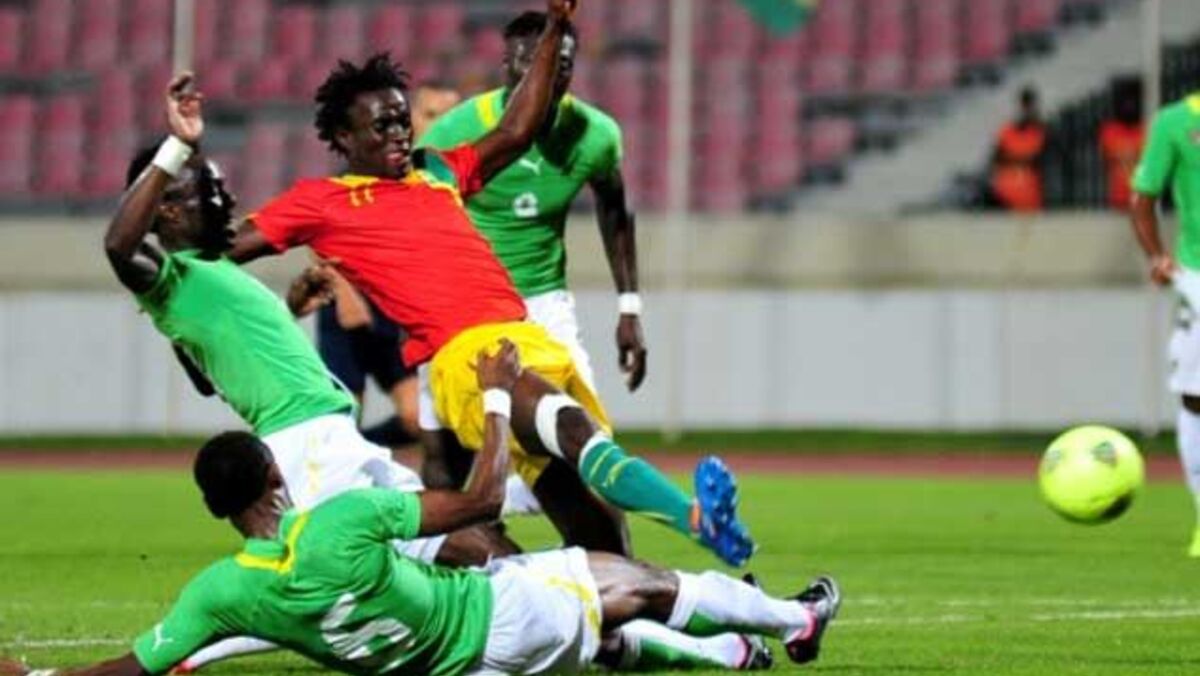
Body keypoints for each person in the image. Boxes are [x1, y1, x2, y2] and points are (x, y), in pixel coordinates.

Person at [226, 0, 755, 567]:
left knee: (601, 535)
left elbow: (516, 129)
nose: (401, 133)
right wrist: (174, 161)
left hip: (525, 337)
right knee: (571, 430)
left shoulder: (435, 171)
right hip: (470, 358)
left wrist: (557, 25)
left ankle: (684, 611)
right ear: (343, 136)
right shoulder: (320, 202)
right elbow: (219, 249)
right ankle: (692, 517)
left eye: (403, 120)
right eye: (383, 125)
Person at [0, 344, 839, 676]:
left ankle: (730, 655)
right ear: (275, 474)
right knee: (642, 581)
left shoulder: (222, 592)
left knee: (607, 633)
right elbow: (480, 498)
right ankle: (798, 620)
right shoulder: (343, 519)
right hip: (495, 620)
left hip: (447, 671)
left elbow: (133, 669)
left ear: (218, 510)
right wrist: (498, 398)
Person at [420, 11, 645, 396]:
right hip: (464, 299)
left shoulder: (596, 136)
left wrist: (629, 308)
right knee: (447, 431)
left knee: (584, 419)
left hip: (544, 302)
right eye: (531, 62)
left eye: (560, 63)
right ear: (505, 64)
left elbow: (615, 211)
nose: (545, 74)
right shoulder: (454, 131)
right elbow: (410, 215)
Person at [304, 78, 464, 450]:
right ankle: (329, 461)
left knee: (416, 417)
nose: (441, 125)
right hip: (349, 313)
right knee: (343, 415)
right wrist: (345, 293)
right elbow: (317, 229)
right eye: (431, 115)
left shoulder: (443, 179)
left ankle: (358, 454)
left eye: (450, 116)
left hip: (395, 319)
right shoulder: (373, 167)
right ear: (412, 120)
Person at [1129, 89, 1200, 556]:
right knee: (1195, 398)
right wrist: (1157, 256)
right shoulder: (1176, 122)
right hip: (1198, 276)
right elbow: (1143, 197)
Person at [988, 86, 1048, 212]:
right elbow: (995, 159)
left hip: (1030, 195)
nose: (1027, 110)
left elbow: (1043, 160)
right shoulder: (1007, 131)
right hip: (1007, 194)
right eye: (1025, 105)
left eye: (1029, 105)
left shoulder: (1042, 132)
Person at [1099, 78, 1145, 212]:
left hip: (1144, 199)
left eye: (1133, 102)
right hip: (1118, 200)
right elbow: (1104, 160)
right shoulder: (1109, 131)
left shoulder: (1147, 129)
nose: (1129, 106)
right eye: (1125, 102)